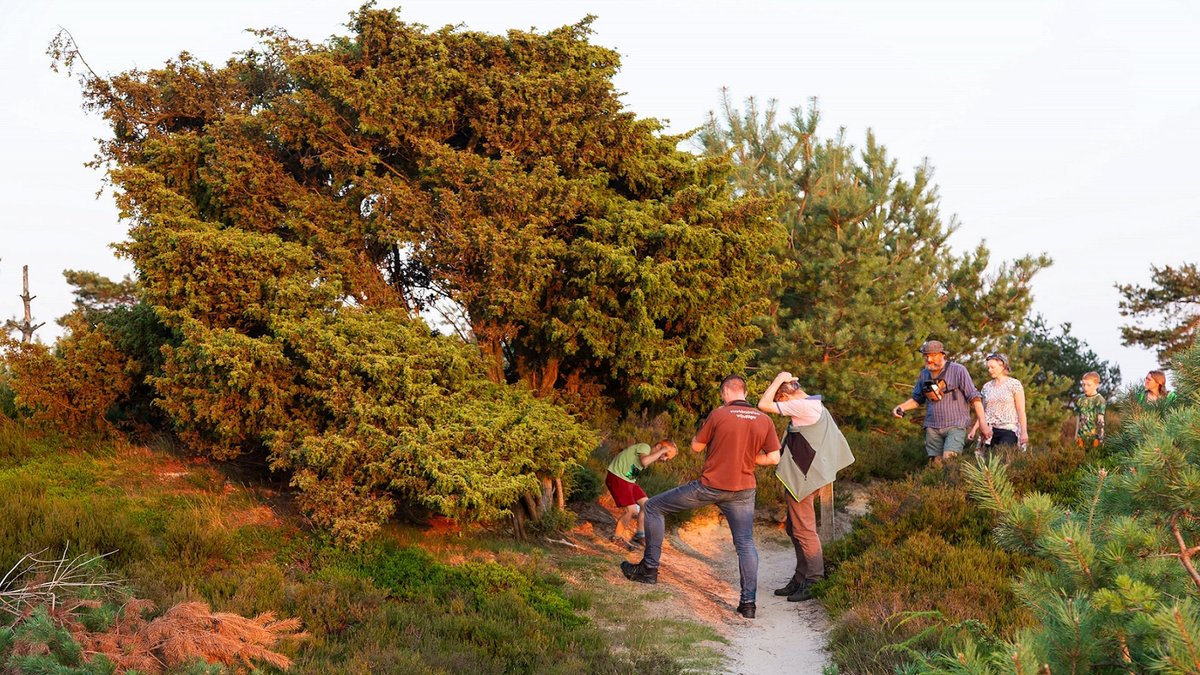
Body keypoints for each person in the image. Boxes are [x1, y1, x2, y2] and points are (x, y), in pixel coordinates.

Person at [620, 375, 781, 620]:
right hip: (743, 491)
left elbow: (695, 446)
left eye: (722, 394)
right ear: (745, 393)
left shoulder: (719, 414)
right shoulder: (764, 419)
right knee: (745, 543)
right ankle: (748, 604)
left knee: (653, 507)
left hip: (710, 486)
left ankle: (649, 569)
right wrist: (748, 458)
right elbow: (773, 458)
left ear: (726, 392)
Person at [758, 371, 854, 603]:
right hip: (807, 474)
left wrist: (778, 379)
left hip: (804, 477)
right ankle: (801, 577)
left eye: (780, 399)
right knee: (794, 528)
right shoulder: (812, 404)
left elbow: (763, 404)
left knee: (804, 530)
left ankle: (814, 580)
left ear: (783, 397)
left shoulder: (802, 405)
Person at [891, 340, 990, 464]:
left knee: (950, 461)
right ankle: (937, 483)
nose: (929, 359)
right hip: (932, 426)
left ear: (943, 354)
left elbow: (975, 398)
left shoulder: (958, 370)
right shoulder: (924, 374)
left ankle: (952, 484)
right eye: (926, 356)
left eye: (933, 355)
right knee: (935, 465)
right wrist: (901, 407)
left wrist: (983, 423)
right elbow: (917, 399)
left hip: (956, 424)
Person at [605, 440, 678, 546]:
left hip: (628, 481)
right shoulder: (645, 447)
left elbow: (631, 471)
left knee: (647, 505)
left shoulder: (648, 455)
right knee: (631, 510)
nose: (664, 459)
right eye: (665, 454)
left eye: (667, 458)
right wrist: (663, 450)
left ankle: (639, 534)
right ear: (658, 446)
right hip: (617, 477)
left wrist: (662, 452)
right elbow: (644, 461)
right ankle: (616, 537)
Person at [967, 353, 1027, 451]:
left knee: (1003, 457)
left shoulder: (1014, 384)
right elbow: (983, 412)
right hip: (989, 432)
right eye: (988, 368)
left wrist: (1024, 432)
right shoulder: (986, 387)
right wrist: (974, 430)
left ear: (1002, 365)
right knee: (989, 462)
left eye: (992, 367)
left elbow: (1021, 411)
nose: (989, 370)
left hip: (1008, 430)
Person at [1074, 371, 1106, 448]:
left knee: (1093, 457)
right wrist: (1076, 434)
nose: (1085, 387)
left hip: (1094, 437)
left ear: (1096, 385)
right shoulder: (1079, 399)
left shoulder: (1099, 399)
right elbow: (1078, 418)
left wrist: (1101, 439)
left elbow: (1100, 421)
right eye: (1083, 384)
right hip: (1081, 436)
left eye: (1088, 385)